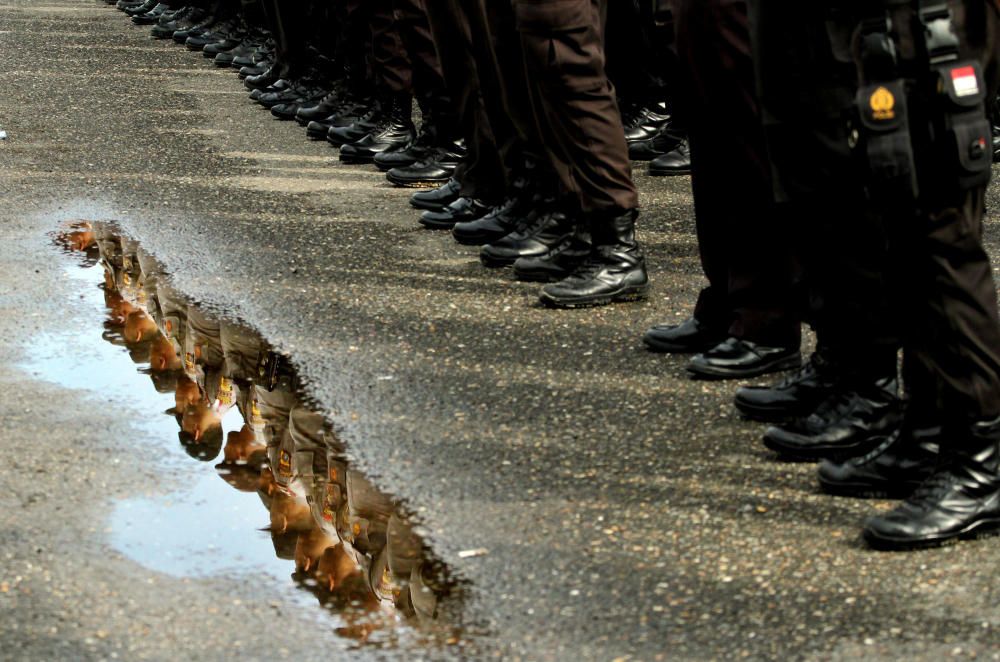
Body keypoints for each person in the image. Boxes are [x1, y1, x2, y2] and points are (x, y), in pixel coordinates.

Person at [751, 0, 1000, 549]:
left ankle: (980, 462)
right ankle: (930, 430)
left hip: (925, 18)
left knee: (939, 234)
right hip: (888, 19)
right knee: (905, 229)